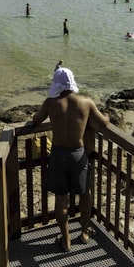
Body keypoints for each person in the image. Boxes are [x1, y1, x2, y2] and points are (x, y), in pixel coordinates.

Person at [27, 66, 110, 252]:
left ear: (56, 82)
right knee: (85, 193)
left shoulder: (51, 103)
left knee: (61, 198)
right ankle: (84, 232)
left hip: (58, 154)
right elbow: (103, 123)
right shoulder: (86, 102)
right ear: (72, 81)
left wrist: (35, 116)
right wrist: (107, 116)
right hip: (78, 153)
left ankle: (66, 240)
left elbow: (36, 120)